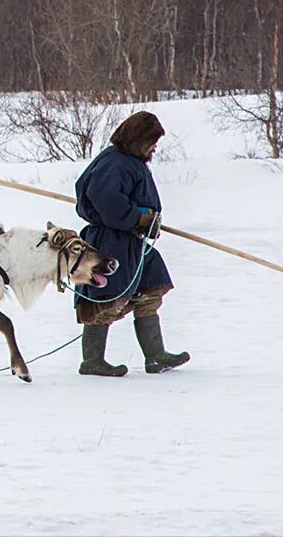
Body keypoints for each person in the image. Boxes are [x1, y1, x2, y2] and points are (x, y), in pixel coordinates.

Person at [73, 111, 191, 377]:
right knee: (108, 299)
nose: (154, 148)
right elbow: (106, 201)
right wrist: (139, 218)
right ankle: (92, 361)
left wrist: (147, 222)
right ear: (137, 139)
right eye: (151, 141)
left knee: (151, 288)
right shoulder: (115, 164)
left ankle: (155, 356)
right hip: (112, 243)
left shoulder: (129, 161)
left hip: (132, 243)